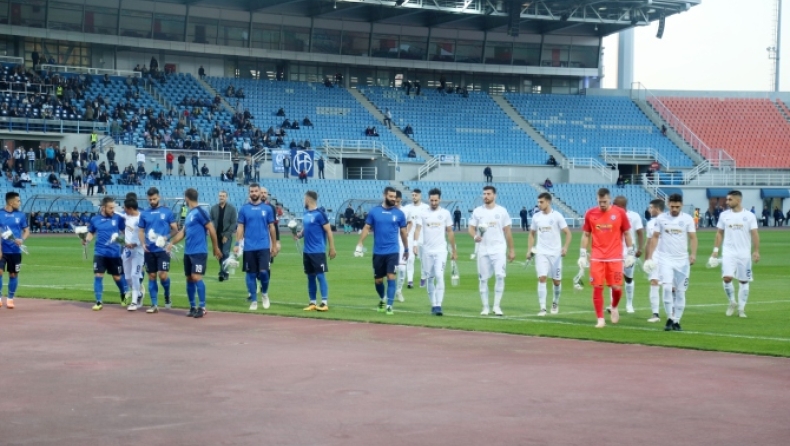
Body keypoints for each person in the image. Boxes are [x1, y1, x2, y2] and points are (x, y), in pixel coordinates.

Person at [578, 188, 635, 328]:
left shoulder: (619, 213)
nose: (602, 204)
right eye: (600, 201)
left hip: (615, 257)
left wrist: (630, 253)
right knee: (597, 287)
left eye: (604, 201)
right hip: (597, 256)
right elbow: (586, 234)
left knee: (616, 287)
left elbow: (627, 233)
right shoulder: (590, 213)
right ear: (596, 199)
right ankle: (600, 319)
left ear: (609, 199)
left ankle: (614, 306)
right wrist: (582, 254)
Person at [644, 194, 697, 332]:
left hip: (682, 261)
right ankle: (669, 317)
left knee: (680, 292)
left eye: (677, 206)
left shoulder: (687, 219)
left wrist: (693, 254)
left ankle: (677, 320)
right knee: (667, 288)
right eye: (672, 206)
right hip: (665, 259)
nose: (674, 209)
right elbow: (654, 238)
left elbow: (693, 238)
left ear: (682, 205)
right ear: (668, 204)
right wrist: (650, 256)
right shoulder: (661, 219)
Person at [166, 188, 222, 318]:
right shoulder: (190, 214)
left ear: (186, 198)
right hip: (188, 252)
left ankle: (202, 307)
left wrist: (215, 247)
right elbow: (183, 232)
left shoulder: (200, 212)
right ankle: (192, 306)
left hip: (199, 251)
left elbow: (211, 229)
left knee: (196, 277)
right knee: (189, 278)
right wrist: (171, 243)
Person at [354, 187, 409, 315]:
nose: (393, 199)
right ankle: (383, 299)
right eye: (391, 197)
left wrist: (406, 248)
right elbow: (367, 228)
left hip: (393, 250)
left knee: (391, 276)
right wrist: (360, 243)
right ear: (384, 196)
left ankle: (389, 305)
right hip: (378, 251)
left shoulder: (399, 214)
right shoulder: (374, 212)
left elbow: (403, 232)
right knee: (378, 280)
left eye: (395, 197)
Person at [710, 190, 760, 318]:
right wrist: (715, 251)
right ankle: (732, 301)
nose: (727, 202)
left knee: (743, 281)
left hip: (744, 253)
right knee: (727, 278)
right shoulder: (724, 215)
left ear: (738, 200)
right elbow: (719, 233)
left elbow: (754, 234)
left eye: (729, 199)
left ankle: (741, 309)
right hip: (728, 252)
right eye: (727, 199)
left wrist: (756, 251)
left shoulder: (749, 216)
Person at [468, 186, 516, 316]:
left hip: (499, 248)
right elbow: (471, 228)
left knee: (500, 276)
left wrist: (511, 250)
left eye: (488, 194)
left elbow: (508, 231)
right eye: (484, 194)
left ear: (495, 195)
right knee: (483, 279)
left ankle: (496, 306)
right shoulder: (478, 211)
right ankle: (485, 307)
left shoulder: (502, 211)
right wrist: (474, 236)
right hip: (483, 249)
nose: (485, 196)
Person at [526, 193, 572, 316]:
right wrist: (529, 249)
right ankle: (542, 308)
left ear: (548, 202)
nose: (539, 204)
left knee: (556, 281)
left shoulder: (557, 216)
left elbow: (568, 233)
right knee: (542, 278)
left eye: (541, 202)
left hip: (555, 254)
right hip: (541, 253)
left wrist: (565, 248)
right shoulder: (536, 217)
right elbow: (531, 234)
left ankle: (555, 302)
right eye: (538, 202)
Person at [412, 188, 457, 316]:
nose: (434, 202)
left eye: (436, 200)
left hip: (441, 250)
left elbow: (450, 232)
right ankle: (433, 304)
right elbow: (417, 229)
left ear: (440, 199)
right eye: (432, 200)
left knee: (439, 275)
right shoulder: (423, 213)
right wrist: (415, 244)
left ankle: (438, 305)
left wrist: (454, 250)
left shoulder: (445, 214)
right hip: (426, 251)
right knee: (430, 278)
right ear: (428, 199)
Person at [235, 183, 279, 311]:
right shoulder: (244, 209)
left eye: (255, 191)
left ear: (260, 192)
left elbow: (272, 227)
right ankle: (254, 300)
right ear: (249, 193)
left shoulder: (268, 209)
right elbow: (240, 227)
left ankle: (264, 293)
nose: (253, 193)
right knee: (251, 274)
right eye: (251, 191)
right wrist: (238, 243)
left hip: (264, 246)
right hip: (249, 247)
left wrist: (274, 245)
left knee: (264, 273)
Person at [83, 196, 129, 311]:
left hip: (114, 253)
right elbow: (91, 232)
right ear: (103, 208)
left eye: (113, 207)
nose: (113, 210)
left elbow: (125, 232)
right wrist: (87, 240)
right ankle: (98, 301)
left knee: (117, 277)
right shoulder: (95, 219)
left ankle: (124, 294)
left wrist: (122, 241)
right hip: (100, 253)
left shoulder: (118, 218)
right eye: (110, 208)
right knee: (98, 276)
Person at [137, 187, 178, 312]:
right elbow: (141, 230)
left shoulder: (167, 212)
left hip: (163, 249)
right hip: (149, 250)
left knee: (163, 275)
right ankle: (154, 304)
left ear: (158, 197)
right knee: (152, 276)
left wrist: (165, 238)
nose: (152, 201)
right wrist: (143, 243)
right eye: (150, 199)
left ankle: (167, 294)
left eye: (154, 199)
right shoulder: (144, 213)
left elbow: (175, 229)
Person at [297, 191, 336, 312]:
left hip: (318, 251)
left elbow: (329, 231)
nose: (303, 201)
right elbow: (306, 228)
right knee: (310, 277)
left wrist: (332, 248)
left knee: (320, 276)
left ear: (308, 199)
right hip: (307, 251)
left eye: (304, 199)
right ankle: (312, 302)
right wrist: (299, 235)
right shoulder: (306, 213)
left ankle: (324, 302)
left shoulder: (320, 214)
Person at [611, 196, 645, 314]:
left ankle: (629, 304)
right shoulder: (611, 215)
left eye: (615, 204)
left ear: (621, 206)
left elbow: (640, 233)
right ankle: (613, 305)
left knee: (628, 278)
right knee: (614, 278)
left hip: (630, 251)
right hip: (615, 250)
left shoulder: (634, 216)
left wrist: (640, 248)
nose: (612, 206)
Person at [0, 192, 30, 309]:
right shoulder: (0, 213)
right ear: (11, 202)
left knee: (13, 274)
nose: (19, 203)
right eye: (18, 201)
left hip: (15, 251)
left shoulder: (21, 215)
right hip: (3, 249)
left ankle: (10, 299)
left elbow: (26, 231)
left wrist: (21, 240)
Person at [643, 199, 666, 323]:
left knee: (669, 286)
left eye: (651, 207)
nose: (649, 210)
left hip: (668, 257)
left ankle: (672, 313)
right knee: (654, 282)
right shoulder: (650, 223)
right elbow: (648, 242)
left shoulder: (669, 220)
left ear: (657, 208)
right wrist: (647, 258)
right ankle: (655, 314)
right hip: (655, 256)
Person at [120, 197, 145, 311]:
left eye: (125, 208)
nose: (124, 210)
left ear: (130, 208)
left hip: (138, 251)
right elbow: (114, 213)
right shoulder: (126, 217)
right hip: (127, 251)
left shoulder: (142, 218)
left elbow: (145, 235)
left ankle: (134, 302)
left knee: (135, 275)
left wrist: (136, 244)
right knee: (128, 277)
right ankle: (139, 294)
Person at [402, 189, 429, 289]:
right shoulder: (407, 208)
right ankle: (410, 281)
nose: (414, 197)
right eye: (412, 195)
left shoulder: (426, 208)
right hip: (410, 238)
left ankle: (423, 278)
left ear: (420, 196)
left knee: (423, 260)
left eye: (416, 195)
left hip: (423, 237)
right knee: (410, 259)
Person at [210, 191, 237, 282]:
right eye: (220, 196)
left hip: (226, 234)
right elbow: (211, 222)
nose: (221, 197)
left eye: (223, 196)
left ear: (227, 197)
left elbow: (233, 223)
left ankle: (223, 272)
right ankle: (225, 271)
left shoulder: (232, 209)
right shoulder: (213, 209)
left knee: (225, 253)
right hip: (216, 235)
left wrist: (227, 234)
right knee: (219, 254)